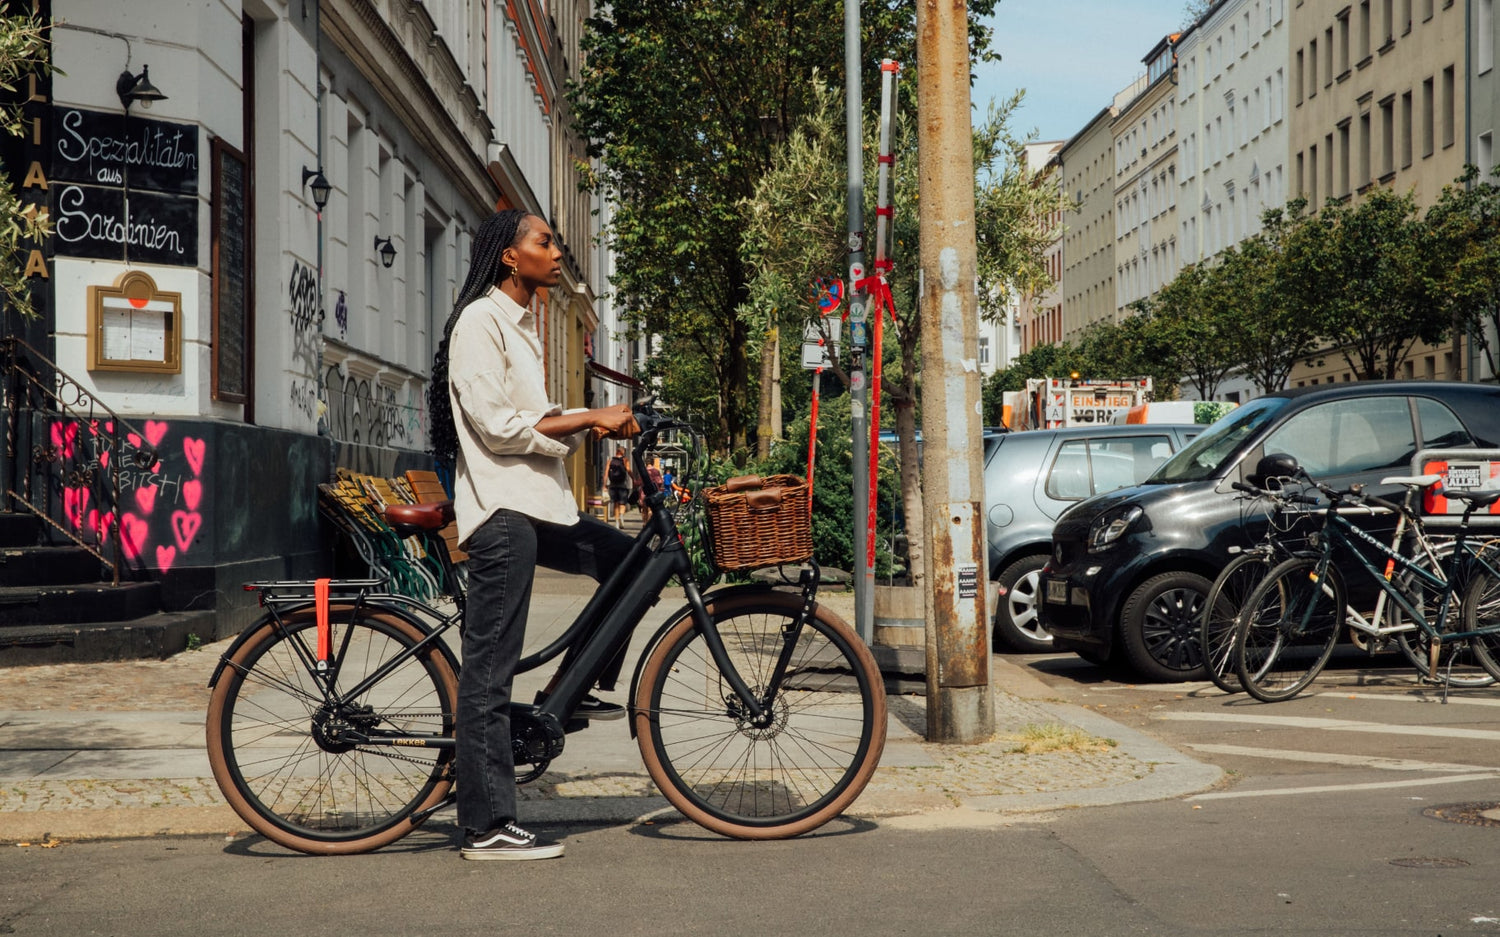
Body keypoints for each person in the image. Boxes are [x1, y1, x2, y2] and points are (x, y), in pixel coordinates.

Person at [427, 209, 637, 861]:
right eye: (544, 241)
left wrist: (595, 421)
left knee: (629, 562)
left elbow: (537, 417)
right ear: (511, 257)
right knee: (488, 677)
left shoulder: (524, 325)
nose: (556, 249)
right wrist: (587, 417)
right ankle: (486, 825)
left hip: (537, 509)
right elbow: (496, 425)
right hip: (502, 516)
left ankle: (566, 698)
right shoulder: (479, 321)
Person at [605, 446, 631, 527]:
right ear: (623, 452)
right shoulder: (625, 460)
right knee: (622, 503)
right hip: (622, 485)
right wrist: (633, 479)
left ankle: (616, 522)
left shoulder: (610, 461)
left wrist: (604, 485)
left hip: (612, 485)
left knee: (615, 503)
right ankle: (621, 516)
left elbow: (606, 474)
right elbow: (629, 471)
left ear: (616, 452)